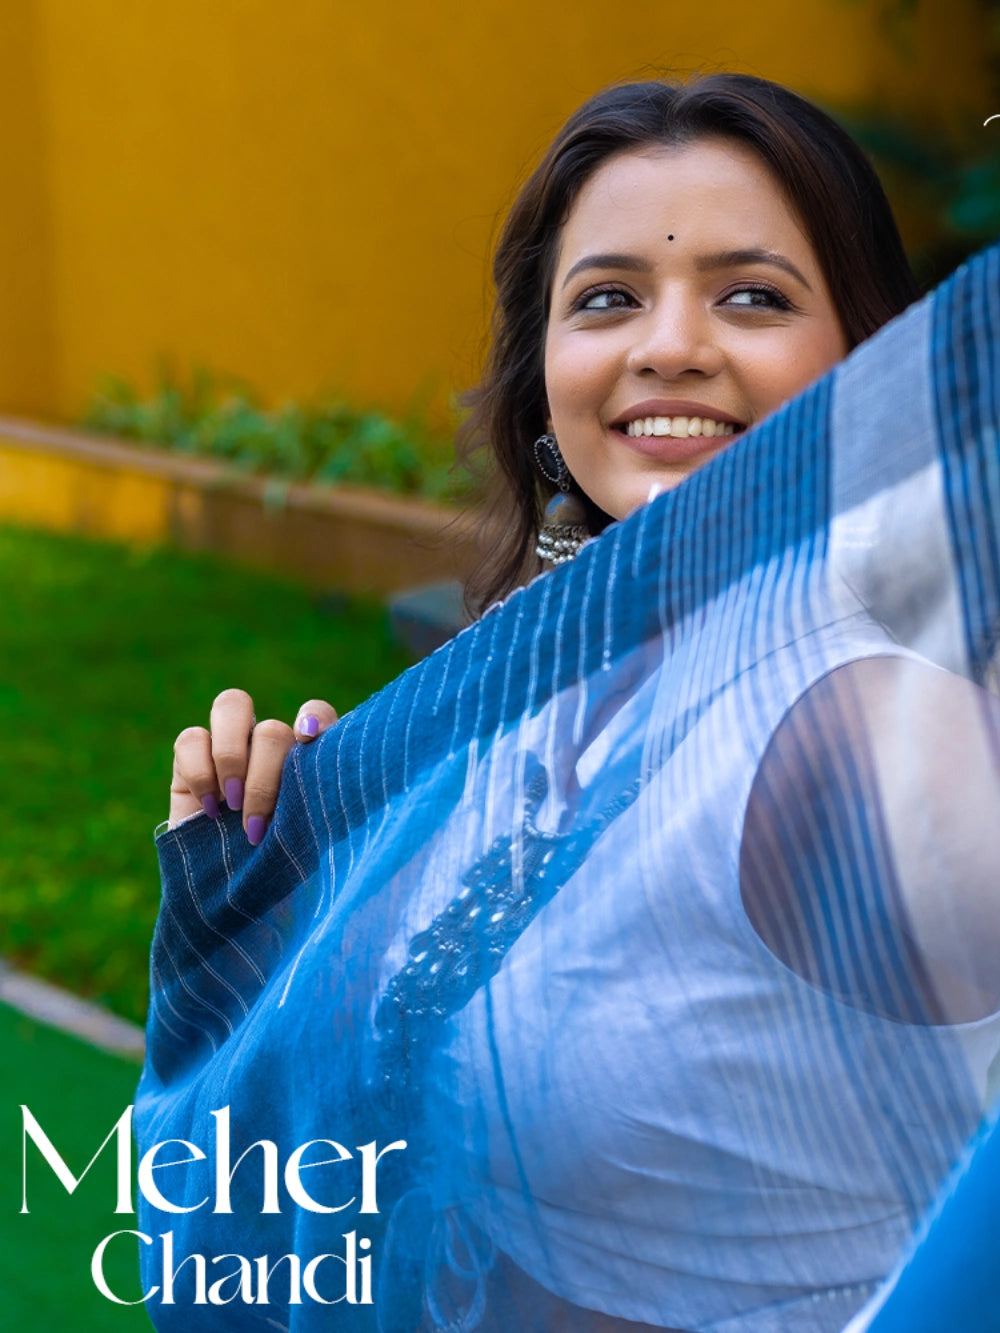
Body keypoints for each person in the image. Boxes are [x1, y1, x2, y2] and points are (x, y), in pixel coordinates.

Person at [141, 74, 1000, 1332]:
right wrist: (276, 903)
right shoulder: (520, 695)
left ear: (864, 357)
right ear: (543, 374)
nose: (669, 346)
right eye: (607, 299)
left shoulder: (862, 723)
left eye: (752, 296)